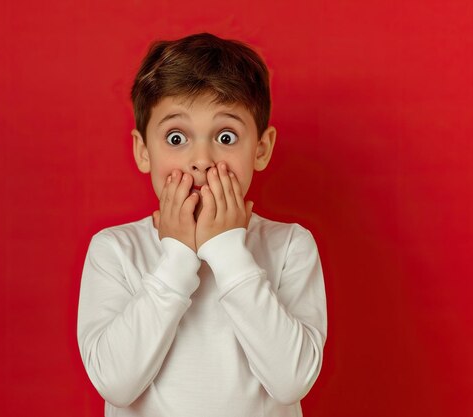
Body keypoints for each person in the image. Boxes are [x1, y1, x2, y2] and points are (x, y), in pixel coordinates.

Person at [77, 32, 327, 417]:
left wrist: (228, 251)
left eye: (225, 136)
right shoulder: (115, 249)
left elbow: (291, 381)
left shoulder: (290, 245)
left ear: (261, 149)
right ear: (143, 151)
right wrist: (177, 256)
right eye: (176, 137)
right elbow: (115, 384)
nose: (202, 159)